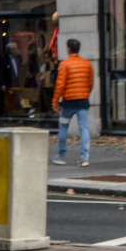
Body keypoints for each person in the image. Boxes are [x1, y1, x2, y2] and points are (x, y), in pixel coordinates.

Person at [51, 37, 93, 166]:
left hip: (68, 102)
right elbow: (90, 83)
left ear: (68, 49)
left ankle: (61, 156)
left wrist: (55, 101)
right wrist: (85, 94)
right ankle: (84, 157)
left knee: (63, 127)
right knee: (84, 128)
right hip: (83, 101)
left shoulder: (64, 64)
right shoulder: (87, 64)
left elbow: (60, 85)